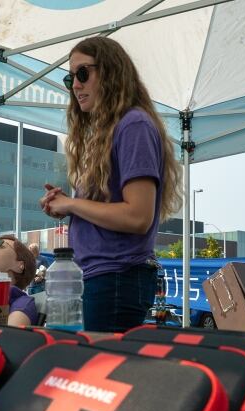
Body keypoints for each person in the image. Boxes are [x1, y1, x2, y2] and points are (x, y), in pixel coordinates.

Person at [40, 36, 181, 333]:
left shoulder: (134, 125)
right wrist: (71, 207)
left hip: (117, 278)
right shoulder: (116, 129)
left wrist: (72, 204)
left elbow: (138, 216)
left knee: (99, 372)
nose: (75, 85)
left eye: (83, 73)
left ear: (111, 72)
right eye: (70, 78)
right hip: (105, 277)